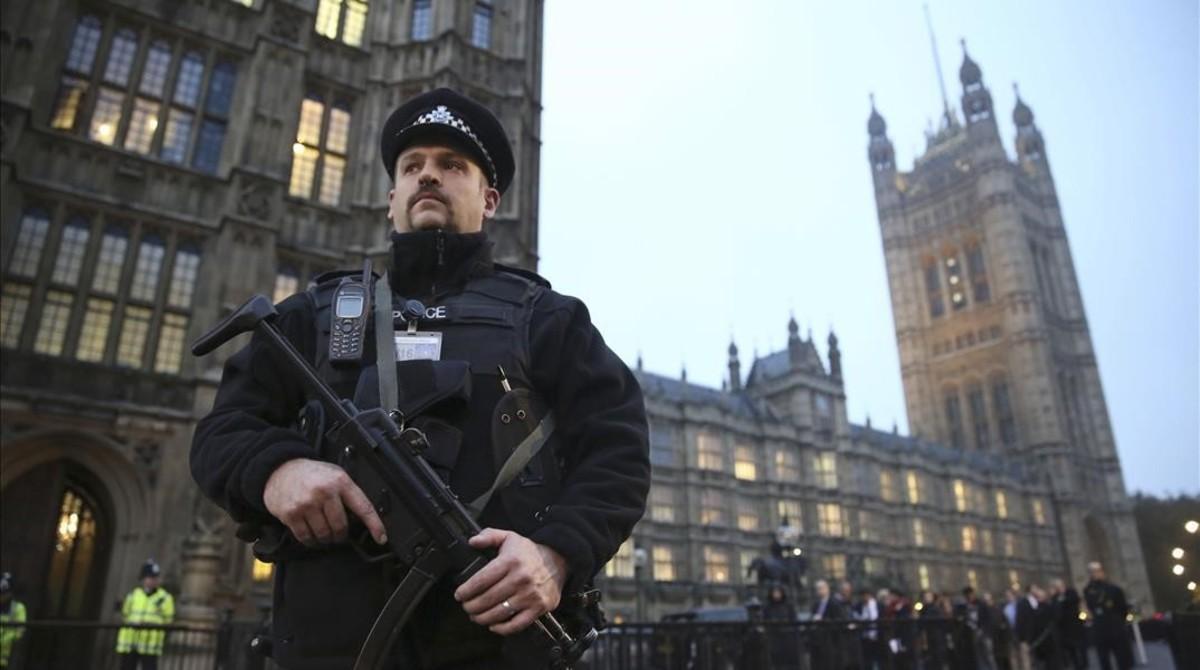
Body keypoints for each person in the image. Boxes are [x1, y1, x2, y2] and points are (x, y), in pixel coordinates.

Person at [190, 87, 651, 669]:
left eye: (451, 165)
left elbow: (619, 451)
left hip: (492, 648)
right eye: (414, 167)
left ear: (490, 199)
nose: (428, 176)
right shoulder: (313, 314)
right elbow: (221, 431)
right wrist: (277, 469)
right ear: (391, 199)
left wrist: (556, 554)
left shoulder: (549, 319)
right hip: (331, 646)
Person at [116, 560, 175, 670]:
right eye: (150, 577)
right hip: (130, 642)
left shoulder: (165, 598)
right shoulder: (133, 595)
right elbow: (125, 615)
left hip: (150, 645)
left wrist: (152, 624)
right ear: (143, 578)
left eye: (155, 577)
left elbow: (168, 620)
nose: (153, 580)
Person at [1084, 562, 1134, 670]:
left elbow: (1122, 608)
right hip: (1100, 628)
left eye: (1097, 571)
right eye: (1092, 572)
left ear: (1103, 572)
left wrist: (1120, 621)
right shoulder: (1088, 590)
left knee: (1122, 659)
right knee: (1104, 660)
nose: (1095, 574)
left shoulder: (1115, 589)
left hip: (1115, 626)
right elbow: (1091, 606)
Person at [1049, 579, 1086, 670]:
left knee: (1080, 646)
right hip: (1064, 628)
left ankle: (1083, 663)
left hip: (1075, 624)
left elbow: (1075, 600)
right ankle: (1075, 664)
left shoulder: (1071, 592)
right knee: (1071, 649)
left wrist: (1063, 600)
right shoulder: (1056, 597)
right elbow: (1055, 608)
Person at [810, 579, 847, 669]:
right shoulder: (816, 604)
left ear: (827, 588)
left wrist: (823, 620)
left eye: (822, 588)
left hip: (831, 640)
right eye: (818, 589)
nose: (820, 590)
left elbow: (839, 619)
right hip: (818, 640)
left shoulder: (834, 603)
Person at [957, 586, 996, 670]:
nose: (969, 597)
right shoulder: (965, 607)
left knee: (988, 656)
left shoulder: (981, 604)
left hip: (984, 633)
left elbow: (988, 619)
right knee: (978, 656)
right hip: (973, 634)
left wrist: (985, 631)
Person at [763, 586, 800, 670]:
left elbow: (794, 620)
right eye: (774, 592)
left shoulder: (788, 606)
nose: (776, 595)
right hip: (774, 638)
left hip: (788, 639)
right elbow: (765, 621)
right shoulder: (768, 607)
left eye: (778, 592)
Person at [0, 573, 26, 669]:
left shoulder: (18, 608)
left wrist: (4, 640)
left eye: (3, 593)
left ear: (10, 593)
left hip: (6, 660)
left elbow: (20, 631)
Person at [854, 588, 882, 670]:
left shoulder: (877, 605)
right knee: (867, 660)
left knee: (878, 659)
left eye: (867, 595)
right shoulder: (858, 606)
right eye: (863, 595)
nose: (865, 597)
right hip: (864, 637)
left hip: (877, 636)